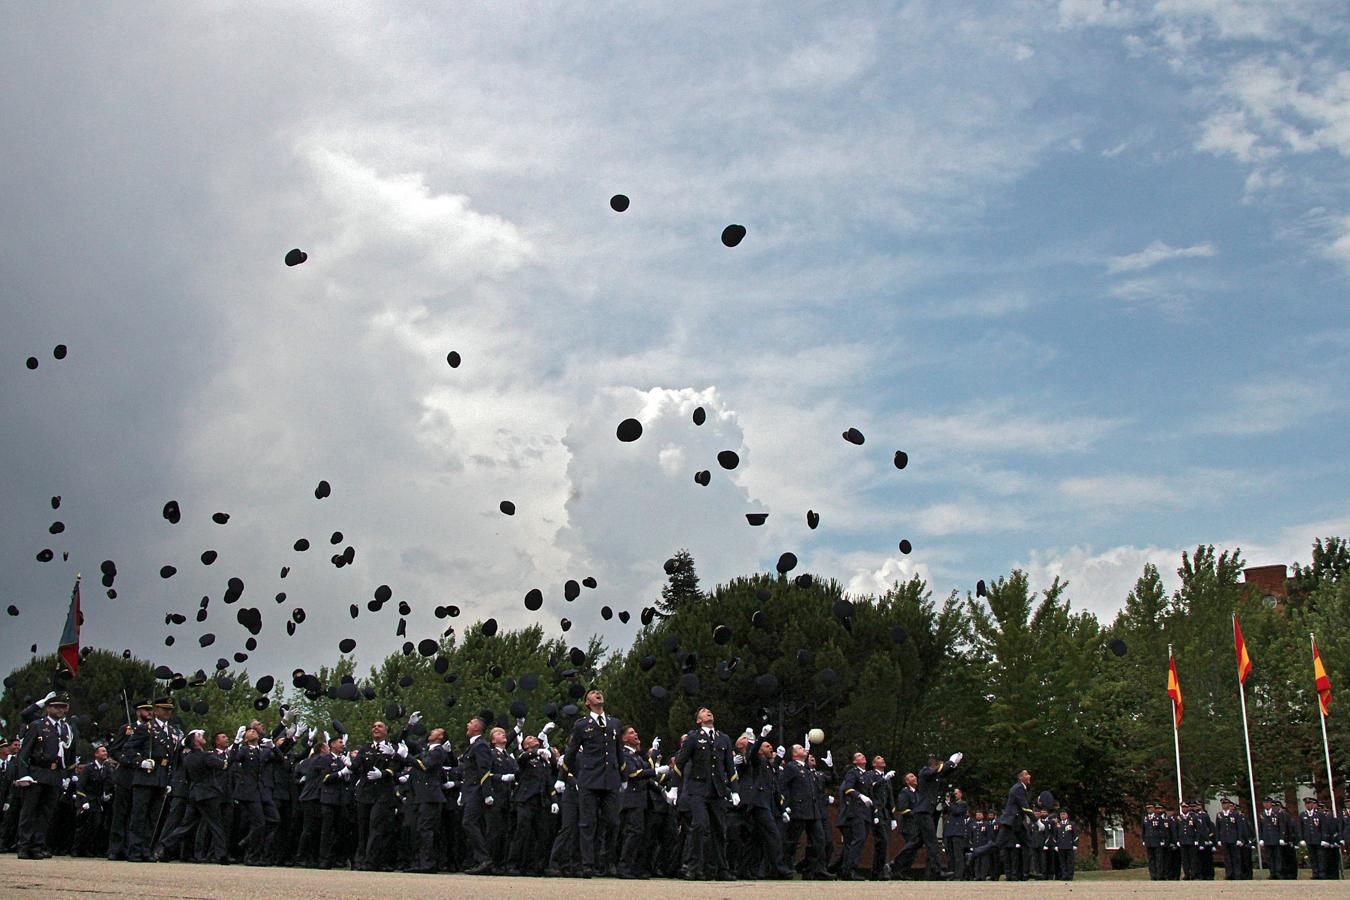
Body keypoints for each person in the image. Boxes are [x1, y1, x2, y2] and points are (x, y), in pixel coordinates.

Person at [560, 689, 622, 878]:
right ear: (587, 702)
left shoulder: (614, 723)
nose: (598, 693)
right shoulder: (581, 725)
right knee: (588, 823)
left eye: (599, 692)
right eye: (593, 693)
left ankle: (608, 862)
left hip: (610, 779)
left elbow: (619, 752)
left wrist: (624, 778)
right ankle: (587, 864)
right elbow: (571, 753)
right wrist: (562, 777)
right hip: (589, 779)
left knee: (613, 822)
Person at [672, 707, 738, 880]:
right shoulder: (693, 737)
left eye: (709, 711)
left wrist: (735, 790)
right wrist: (674, 787)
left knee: (719, 830)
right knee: (699, 825)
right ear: (698, 720)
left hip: (717, 790)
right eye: (703, 711)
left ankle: (722, 869)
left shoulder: (723, 738)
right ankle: (691, 867)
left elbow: (730, 766)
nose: (708, 712)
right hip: (698, 788)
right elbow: (680, 763)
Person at [13, 693, 76, 859]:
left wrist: (67, 775)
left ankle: (38, 845)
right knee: (29, 812)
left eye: (63, 707)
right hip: (37, 772)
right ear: (48, 708)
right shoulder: (38, 725)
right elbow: (24, 753)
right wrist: (24, 775)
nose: (60, 710)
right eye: (57, 707)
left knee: (46, 813)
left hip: (54, 775)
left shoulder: (66, 729)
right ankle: (24, 845)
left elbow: (69, 755)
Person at [891, 751, 961, 879]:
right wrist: (950, 762)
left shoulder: (932, 776)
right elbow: (939, 770)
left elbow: (944, 772)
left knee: (916, 842)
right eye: (938, 763)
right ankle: (937, 870)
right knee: (932, 841)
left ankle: (894, 864)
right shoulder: (924, 772)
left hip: (927, 812)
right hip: (923, 812)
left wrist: (953, 765)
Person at [352, 720, 401, 871]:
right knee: (363, 827)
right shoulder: (365, 748)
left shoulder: (392, 748)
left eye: (379, 726)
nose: (376, 728)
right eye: (374, 726)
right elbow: (356, 765)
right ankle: (360, 860)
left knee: (377, 826)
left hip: (382, 792)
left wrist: (384, 773)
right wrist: (348, 765)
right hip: (365, 792)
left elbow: (397, 766)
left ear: (386, 730)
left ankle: (372, 861)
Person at [106, 700, 152, 860]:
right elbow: (115, 750)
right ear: (138, 712)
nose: (149, 712)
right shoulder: (127, 729)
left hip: (144, 776)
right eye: (145, 710)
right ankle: (115, 848)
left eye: (150, 710)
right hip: (127, 775)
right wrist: (129, 760)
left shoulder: (152, 730)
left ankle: (132, 847)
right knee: (120, 813)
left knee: (138, 814)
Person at [779, 744, 829, 880]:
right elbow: (782, 786)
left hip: (812, 810)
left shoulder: (807, 768)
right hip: (798, 809)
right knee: (792, 841)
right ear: (794, 754)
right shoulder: (791, 767)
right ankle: (785, 867)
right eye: (800, 748)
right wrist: (786, 806)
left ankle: (816, 869)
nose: (804, 749)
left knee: (819, 840)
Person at [403, 726, 448, 873]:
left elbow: (425, 765)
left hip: (430, 796)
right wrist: (408, 727)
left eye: (435, 731)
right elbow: (406, 744)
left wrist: (406, 756)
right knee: (418, 829)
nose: (431, 732)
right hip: (420, 795)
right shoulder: (426, 750)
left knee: (425, 830)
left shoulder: (438, 751)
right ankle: (419, 862)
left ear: (440, 737)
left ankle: (427, 863)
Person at [459, 714, 494, 874]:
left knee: (469, 822)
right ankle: (477, 859)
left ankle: (484, 858)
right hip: (470, 790)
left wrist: (486, 793)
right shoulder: (473, 745)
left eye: (471, 722)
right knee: (473, 824)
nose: (467, 724)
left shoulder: (480, 745)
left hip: (477, 791)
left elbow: (483, 770)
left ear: (477, 727)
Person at [862, 755, 896, 880]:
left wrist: (893, 817)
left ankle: (878, 872)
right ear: (874, 764)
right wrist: (884, 779)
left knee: (883, 843)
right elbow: (872, 788)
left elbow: (889, 798)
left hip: (884, 813)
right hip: (875, 812)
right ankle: (879, 871)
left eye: (882, 758)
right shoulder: (870, 774)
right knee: (882, 841)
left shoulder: (886, 778)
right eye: (878, 758)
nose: (882, 759)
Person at [1215, 796, 1253, 880]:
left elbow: (1239, 827)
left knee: (1236, 857)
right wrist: (1218, 839)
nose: (1224, 805)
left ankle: (1237, 874)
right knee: (1227, 858)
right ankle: (1229, 874)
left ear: (1229, 805)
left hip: (1234, 839)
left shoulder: (1235, 814)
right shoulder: (1219, 815)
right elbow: (1218, 828)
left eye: (1226, 804)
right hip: (1224, 839)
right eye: (1223, 804)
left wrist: (1239, 839)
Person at [943, 787, 970, 880]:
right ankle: (951, 873)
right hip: (950, 832)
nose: (954, 796)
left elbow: (957, 811)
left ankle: (959, 875)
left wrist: (949, 803)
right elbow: (943, 811)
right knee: (951, 855)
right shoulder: (951, 804)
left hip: (957, 832)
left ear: (960, 794)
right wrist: (946, 802)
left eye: (956, 794)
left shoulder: (962, 804)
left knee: (958, 855)